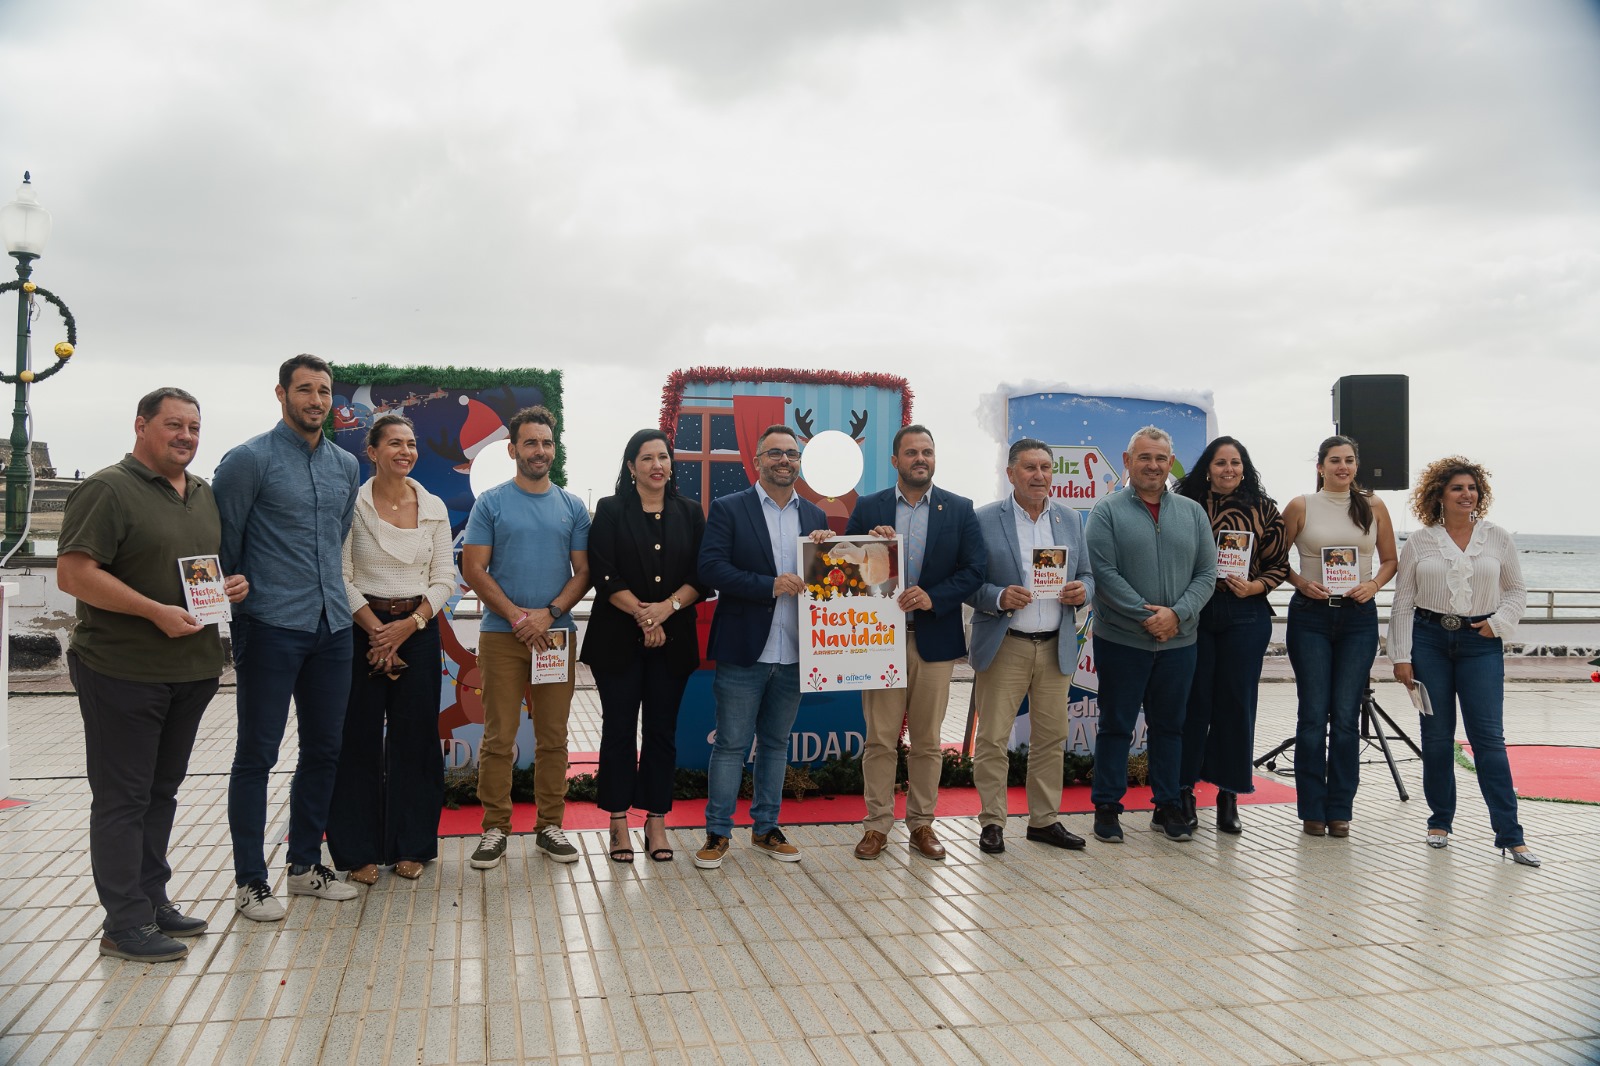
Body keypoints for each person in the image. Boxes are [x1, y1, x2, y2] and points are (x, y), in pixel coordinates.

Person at [57, 388, 249, 961]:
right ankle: (122, 923)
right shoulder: (107, 488)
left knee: (161, 792)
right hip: (121, 669)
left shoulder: (203, 495)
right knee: (123, 797)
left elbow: (201, 572)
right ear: (141, 426)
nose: (186, 436)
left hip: (191, 669)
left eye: (194, 427)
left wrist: (230, 587)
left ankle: (150, 899)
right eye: (173, 425)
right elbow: (73, 573)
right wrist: (152, 611)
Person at [215, 355, 361, 921]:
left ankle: (303, 867)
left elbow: (337, 535)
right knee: (258, 753)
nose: (316, 400)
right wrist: (241, 593)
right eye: (305, 390)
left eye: (324, 391)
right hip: (271, 624)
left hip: (333, 626)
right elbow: (224, 542)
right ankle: (251, 880)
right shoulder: (248, 460)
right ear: (281, 393)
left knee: (325, 749)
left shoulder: (346, 465)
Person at [835, 425, 984, 860]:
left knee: (928, 741)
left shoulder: (958, 508)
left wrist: (933, 596)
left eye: (928, 452)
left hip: (933, 641)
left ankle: (922, 825)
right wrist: (866, 548)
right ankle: (877, 826)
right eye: (912, 452)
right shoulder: (870, 507)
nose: (921, 458)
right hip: (880, 641)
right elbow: (843, 568)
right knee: (880, 739)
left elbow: (974, 570)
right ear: (895, 460)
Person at [1389, 457, 1539, 866]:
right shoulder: (1420, 541)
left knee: (1489, 740)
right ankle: (1439, 822)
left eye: (1472, 488)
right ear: (1439, 494)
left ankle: (1511, 835)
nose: (1466, 494)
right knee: (1436, 739)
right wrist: (1401, 656)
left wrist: (1499, 623)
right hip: (1429, 642)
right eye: (1457, 488)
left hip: (1480, 644)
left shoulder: (1498, 538)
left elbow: (1516, 591)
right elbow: (1402, 602)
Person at [326, 414, 454, 885]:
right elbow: (339, 574)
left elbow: (444, 579)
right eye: (394, 443)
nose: (405, 451)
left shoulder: (434, 506)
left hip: (417, 633)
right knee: (356, 739)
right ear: (372, 451)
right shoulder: (352, 505)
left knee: (416, 740)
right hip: (361, 629)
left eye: (412, 443)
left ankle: (413, 845)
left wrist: (409, 626)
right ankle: (357, 851)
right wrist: (378, 630)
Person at [461, 406, 591, 868]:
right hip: (502, 636)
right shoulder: (491, 503)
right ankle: (494, 828)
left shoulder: (573, 506)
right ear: (513, 449)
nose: (540, 451)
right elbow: (472, 568)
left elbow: (585, 571)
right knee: (499, 736)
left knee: (554, 737)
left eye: (547, 442)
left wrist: (550, 614)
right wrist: (519, 617)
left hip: (555, 638)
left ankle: (549, 826)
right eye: (531, 443)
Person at [694, 425, 829, 869]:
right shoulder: (729, 509)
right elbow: (711, 568)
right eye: (775, 453)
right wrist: (768, 585)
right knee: (731, 744)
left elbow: (829, 581)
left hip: (795, 652)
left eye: (791, 454)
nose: (784, 460)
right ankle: (717, 834)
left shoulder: (815, 517)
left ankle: (766, 829)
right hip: (745, 648)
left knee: (775, 743)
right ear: (757, 460)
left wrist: (835, 557)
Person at [580, 428, 709, 863]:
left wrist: (665, 611)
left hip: (673, 640)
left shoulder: (690, 512)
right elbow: (603, 572)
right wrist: (643, 613)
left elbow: (700, 576)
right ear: (631, 466)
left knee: (661, 731)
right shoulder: (611, 510)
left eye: (664, 457)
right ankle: (618, 821)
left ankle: (656, 821)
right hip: (616, 638)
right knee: (618, 729)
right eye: (647, 457)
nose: (658, 465)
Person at [1085, 426, 1216, 843]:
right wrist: (1148, 615)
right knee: (1116, 725)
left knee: (1170, 727)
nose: (1153, 466)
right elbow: (1104, 574)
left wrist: (1176, 614)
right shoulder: (1106, 512)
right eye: (1144, 457)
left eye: (1161, 458)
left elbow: (1207, 573)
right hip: (1122, 640)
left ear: (1169, 463)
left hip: (1180, 642)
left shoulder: (1193, 513)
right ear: (1127, 461)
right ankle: (1107, 807)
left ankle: (1168, 804)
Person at [966, 438, 1095, 855]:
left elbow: (1089, 574)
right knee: (992, 738)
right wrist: (999, 596)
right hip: (1006, 644)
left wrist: (1082, 590)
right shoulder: (984, 519)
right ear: (1011, 474)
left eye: (1045, 468)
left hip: (1056, 644)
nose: (1039, 476)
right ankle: (992, 822)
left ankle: (1043, 821)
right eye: (1029, 468)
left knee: (1051, 737)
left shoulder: (1071, 520)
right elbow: (967, 583)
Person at [1281, 434, 1397, 839]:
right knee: (1313, 715)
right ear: (1320, 466)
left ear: (1355, 465)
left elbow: (1390, 560)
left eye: (1349, 460)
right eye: (1334, 460)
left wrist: (1374, 586)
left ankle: (1340, 809)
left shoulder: (1374, 505)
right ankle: (1312, 809)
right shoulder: (1300, 506)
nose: (1342, 467)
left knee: (1347, 716)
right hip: (1311, 616)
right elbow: (1274, 560)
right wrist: (1299, 582)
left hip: (1358, 618)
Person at [1173, 436, 1290, 833]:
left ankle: (1228, 794)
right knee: (1194, 703)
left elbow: (1278, 564)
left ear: (1245, 467)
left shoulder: (1265, 509)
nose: (1228, 470)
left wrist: (1255, 587)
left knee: (1237, 706)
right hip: (1196, 613)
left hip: (1245, 613)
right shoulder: (1184, 505)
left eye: (1235, 463)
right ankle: (1183, 792)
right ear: (1207, 466)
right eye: (1220, 462)